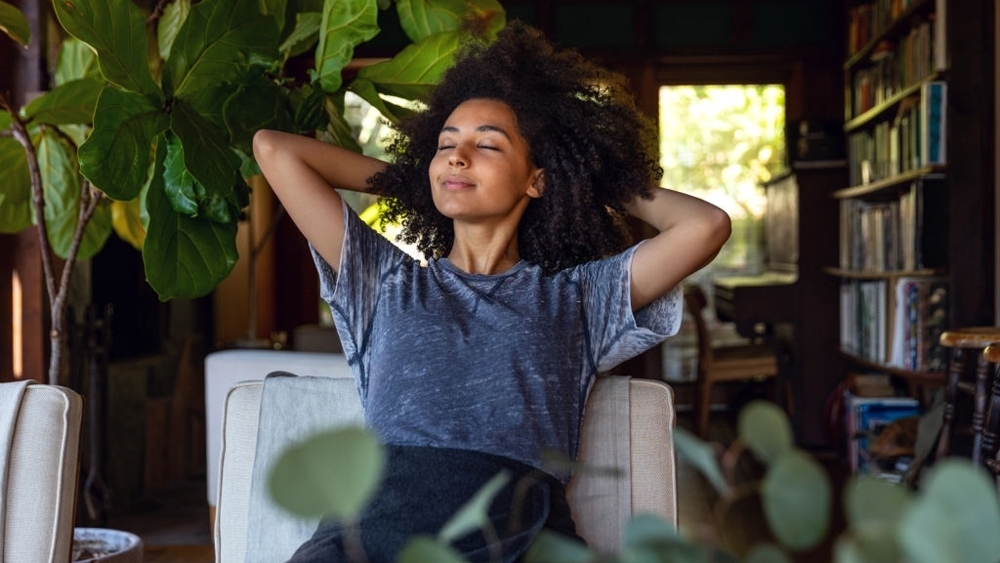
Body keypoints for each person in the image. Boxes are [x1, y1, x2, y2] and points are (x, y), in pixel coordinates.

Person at [253, 21, 731, 563]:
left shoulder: (578, 298)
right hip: (371, 532)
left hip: (514, 538)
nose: (458, 156)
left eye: (487, 145)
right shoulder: (384, 281)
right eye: (445, 145)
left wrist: (586, 178)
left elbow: (706, 226)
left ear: (536, 179)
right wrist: (417, 182)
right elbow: (273, 150)